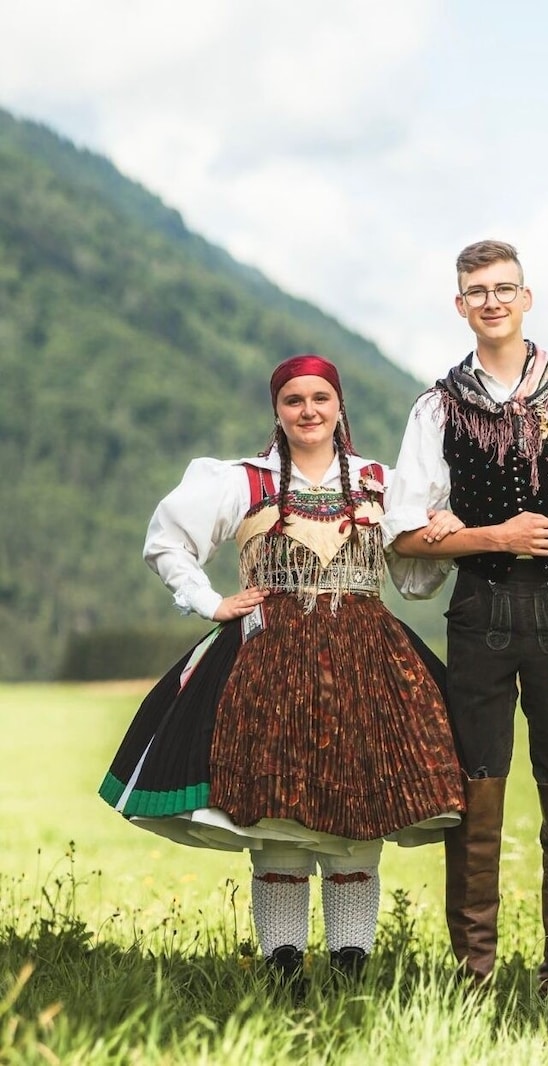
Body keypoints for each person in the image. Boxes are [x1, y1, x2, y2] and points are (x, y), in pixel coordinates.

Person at [99, 353, 465, 988]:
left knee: (360, 813)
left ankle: (351, 967)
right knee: (278, 817)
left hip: (365, 664)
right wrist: (211, 602)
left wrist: (442, 528)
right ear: (277, 410)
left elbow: (413, 576)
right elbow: (166, 541)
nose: (308, 411)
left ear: (339, 406)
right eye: (294, 400)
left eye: (320, 398)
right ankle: (284, 970)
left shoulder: (384, 482)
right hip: (268, 665)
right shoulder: (243, 482)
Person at [382, 240, 548, 1007]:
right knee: (475, 794)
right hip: (480, 610)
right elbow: (402, 532)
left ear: (527, 298)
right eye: (476, 291)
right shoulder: (437, 406)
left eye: (504, 288)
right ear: (459, 306)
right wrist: (490, 536)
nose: (491, 301)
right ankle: (476, 979)